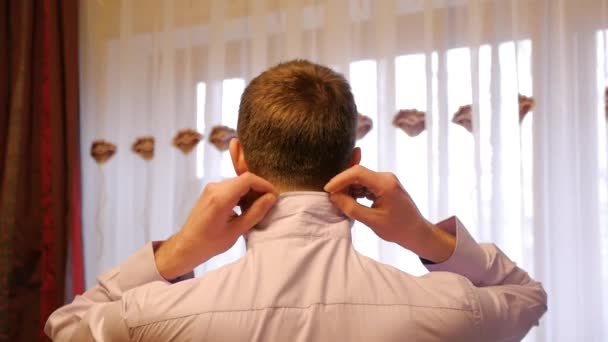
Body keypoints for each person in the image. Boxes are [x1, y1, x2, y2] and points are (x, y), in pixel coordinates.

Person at [45, 60, 547, 341]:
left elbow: (66, 327)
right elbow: (526, 296)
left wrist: (179, 253)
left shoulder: (152, 317)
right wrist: (424, 237)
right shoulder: (452, 310)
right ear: (353, 160)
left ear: (238, 158)